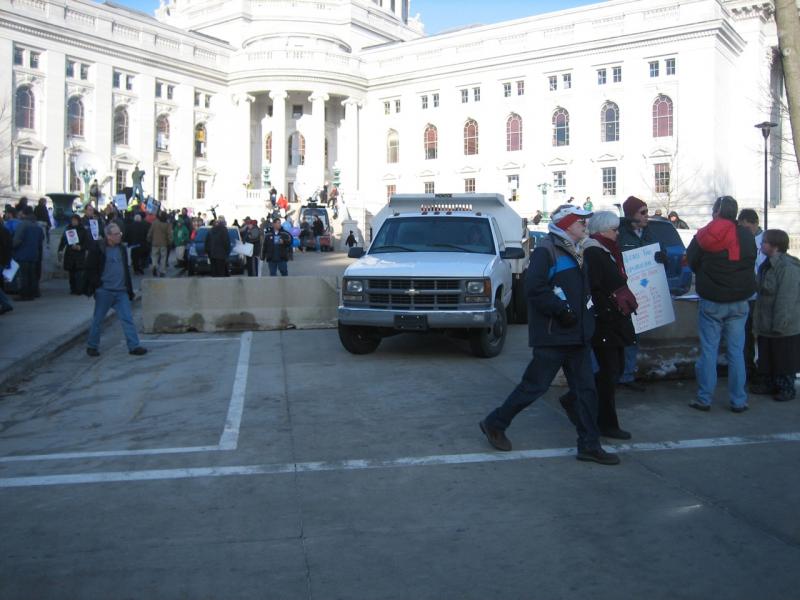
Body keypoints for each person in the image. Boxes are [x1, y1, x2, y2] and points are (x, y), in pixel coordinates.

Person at [479, 204, 620, 465]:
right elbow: (534, 289)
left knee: (587, 391)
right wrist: (561, 311)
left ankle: (589, 445)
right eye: (580, 222)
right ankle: (494, 423)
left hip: (577, 335)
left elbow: (582, 291)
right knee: (534, 387)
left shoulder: (578, 250)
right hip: (554, 335)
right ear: (567, 225)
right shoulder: (547, 250)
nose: (585, 226)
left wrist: (588, 317)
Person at [559, 211, 639, 440]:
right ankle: (605, 421)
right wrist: (607, 308)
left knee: (612, 370)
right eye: (614, 230)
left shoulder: (604, 250)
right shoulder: (595, 251)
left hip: (613, 318)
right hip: (606, 321)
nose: (617, 234)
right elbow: (592, 287)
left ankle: (578, 400)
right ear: (603, 230)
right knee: (609, 372)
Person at [686, 195, 756, 413]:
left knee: (709, 351)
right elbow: (751, 259)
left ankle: (704, 398)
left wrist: (706, 275)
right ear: (734, 212)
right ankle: (739, 400)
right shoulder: (745, 235)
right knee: (736, 352)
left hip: (712, 299)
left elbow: (692, 259)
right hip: (739, 301)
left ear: (716, 211)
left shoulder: (704, 234)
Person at [617, 195, 668, 391]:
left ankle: (627, 374)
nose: (647, 216)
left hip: (644, 290)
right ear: (631, 215)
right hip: (625, 291)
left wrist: (662, 257)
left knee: (634, 335)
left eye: (647, 212)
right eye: (643, 212)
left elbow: (661, 254)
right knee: (622, 335)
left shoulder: (650, 233)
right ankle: (617, 374)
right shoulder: (621, 235)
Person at [751, 230, 800, 401]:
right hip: (767, 323)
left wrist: (780, 325)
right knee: (768, 357)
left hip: (782, 326)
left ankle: (786, 387)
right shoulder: (767, 265)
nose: (761, 244)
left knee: (784, 359)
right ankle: (769, 383)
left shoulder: (787, 268)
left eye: (764, 242)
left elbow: (786, 299)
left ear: (775, 246)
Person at [84, 222, 146, 357]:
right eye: (116, 234)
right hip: (105, 290)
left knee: (127, 319)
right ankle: (92, 346)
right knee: (98, 320)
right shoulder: (98, 248)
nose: (119, 236)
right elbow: (90, 268)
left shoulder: (121, 249)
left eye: (120, 233)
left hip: (121, 291)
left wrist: (129, 290)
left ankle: (134, 346)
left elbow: (125, 270)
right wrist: (98, 285)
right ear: (108, 236)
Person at [737, 208, 765, 383]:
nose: (744, 231)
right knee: (745, 335)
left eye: (747, 228)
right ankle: (748, 368)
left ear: (755, 224)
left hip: (760, 296)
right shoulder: (740, 239)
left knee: (761, 335)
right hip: (745, 296)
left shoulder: (766, 240)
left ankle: (764, 368)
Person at [12, 206, 44, 301]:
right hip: (34, 255)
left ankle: (24, 294)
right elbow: (41, 240)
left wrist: (12, 247)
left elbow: (16, 241)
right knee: (32, 275)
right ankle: (33, 292)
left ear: (24, 214)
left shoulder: (22, 225)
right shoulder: (37, 226)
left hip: (23, 254)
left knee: (24, 276)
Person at [58, 214, 89, 295]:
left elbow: (86, 243)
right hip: (70, 254)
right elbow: (63, 241)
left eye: (75, 220)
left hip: (79, 254)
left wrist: (81, 247)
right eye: (72, 220)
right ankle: (73, 288)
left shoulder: (83, 230)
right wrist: (60, 250)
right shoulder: (67, 229)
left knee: (79, 273)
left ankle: (79, 289)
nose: (73, 222)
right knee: (71, 273)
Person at [147, 211, 172, 277]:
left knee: (154, 256)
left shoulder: (154, 223)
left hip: (155, 243)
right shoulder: (167, 224)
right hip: (164, 243)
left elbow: (150, 232)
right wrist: (170, 242)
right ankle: (162, 271)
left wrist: (149, 238)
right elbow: (169, 234)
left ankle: (154, 265)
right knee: (163, 258)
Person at [0, 213, 14, 314]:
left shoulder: (3, 231)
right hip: (4, 260)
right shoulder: (5, 230)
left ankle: (5, 303)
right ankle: (5, 303)